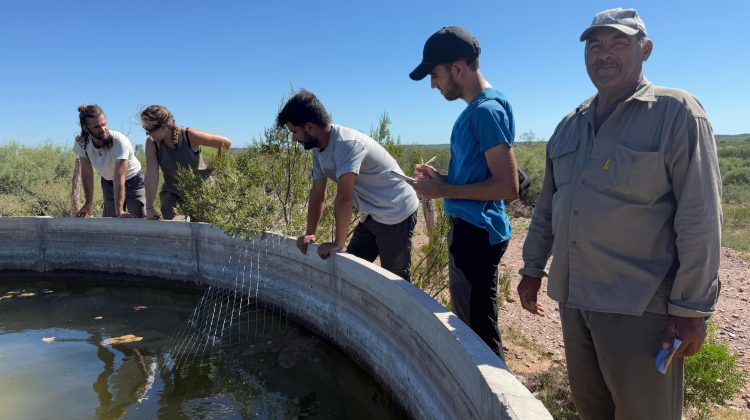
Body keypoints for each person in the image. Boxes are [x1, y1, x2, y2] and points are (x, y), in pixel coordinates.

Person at [517, 8, 721, 419]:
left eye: (618, 43)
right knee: (593, 409)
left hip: (640, 306)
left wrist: (691, 309)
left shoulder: (676, 112)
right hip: (575, 301)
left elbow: (700, 217)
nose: (604, 54)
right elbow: (549, 208)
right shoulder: (569, 125)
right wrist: (533, 268)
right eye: (595, 45)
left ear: (645, 50)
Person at [409, 26, 519, 359]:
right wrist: (441, 178)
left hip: (476, 235)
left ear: (458, 68)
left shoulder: (486, 111)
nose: (433, 83)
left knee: (479, 336)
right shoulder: (480, 110)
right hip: (471, 230)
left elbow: (507, 185)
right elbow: (480, 175)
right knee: (472, 326)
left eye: (435, 74)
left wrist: (442, 190)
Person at [276, 90, 419, 281]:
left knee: (396, 282)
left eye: (294, 132)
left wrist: (337, 244)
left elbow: (344, 197)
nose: (293, 138)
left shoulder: (346, 144)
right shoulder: (318, 150)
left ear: (309, 127)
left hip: (396, 212)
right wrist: (310, 233)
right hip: (370, 214)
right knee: (351, 271)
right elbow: (318, 193)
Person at [140, 105, 232, 220]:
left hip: (201, 191)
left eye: (150, 130)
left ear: (163, 126)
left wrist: (212, 168)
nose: (148, 134)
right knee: (176, 226)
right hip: (173, 194)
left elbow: (225, 143)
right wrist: (149, 208)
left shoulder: (188, 135)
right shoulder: (152, 143)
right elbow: (152, 174)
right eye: (146, 130)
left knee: (205, 227)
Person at [74, 105, 145, 218]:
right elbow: (87, 173)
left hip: (133, 181)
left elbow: (119, 177)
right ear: (86, 128)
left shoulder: (119, 141)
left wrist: (120, 211)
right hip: (108, 183)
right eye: (97, 127)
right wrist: (88, 203)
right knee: (111, 220)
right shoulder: (82, 143)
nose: (103, 129)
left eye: (104, 124)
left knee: (138, 219)